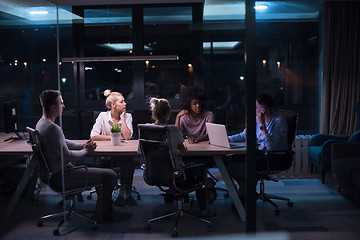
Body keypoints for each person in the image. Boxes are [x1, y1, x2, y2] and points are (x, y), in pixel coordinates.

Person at [36, 90, 118, 223]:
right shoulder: (53, 128)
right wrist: (87, 151)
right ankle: (102, 215)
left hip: (52, 175)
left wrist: (82, 146)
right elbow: (69, 157)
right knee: (111, 175)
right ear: (53, 107)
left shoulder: (41, 124)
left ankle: (103, 210)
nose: (63, 106)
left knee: (101, 171)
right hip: (63, 176)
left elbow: (63, 141)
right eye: (61, 103)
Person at [143, 97, 216, 217]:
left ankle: (170, 198)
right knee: (200, 169)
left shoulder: (146, 129)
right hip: (176, 176)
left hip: (153, 174)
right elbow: (182, 149)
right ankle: (204, 210)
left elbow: (141, 151)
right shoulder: (172, 130)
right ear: (168, 113)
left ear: (154, 113)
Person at [226, 94, 288, 203]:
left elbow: (270, 147)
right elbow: (244, 135)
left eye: (255, 106)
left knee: (246, 165)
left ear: (262, 110)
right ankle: (246, 188)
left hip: (275, 157)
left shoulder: (278, 121)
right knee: (230, 160)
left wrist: (262, 126)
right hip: (261, 153)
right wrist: (228, 138)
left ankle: (245, 195)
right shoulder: (256, 119)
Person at [90, 89, 137, 206]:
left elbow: (127, 137)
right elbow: (93, 135)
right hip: (106, 154)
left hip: (122, 153)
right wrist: (113, 137)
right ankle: (104, 195)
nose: (125, 104)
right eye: (122, 102)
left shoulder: (128, 116)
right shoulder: (102, 116)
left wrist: (122, 119)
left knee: (128, 162)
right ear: (113, 105)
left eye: (124, 101)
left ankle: (125, 193)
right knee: (103, 164)